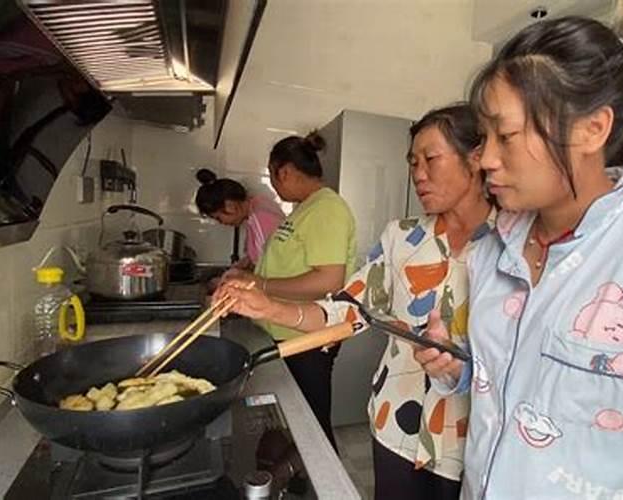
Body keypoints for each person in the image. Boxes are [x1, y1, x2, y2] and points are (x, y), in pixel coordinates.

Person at [415, 3, 623, 499]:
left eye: (508, 136)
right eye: (485, 138)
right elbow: (526, 387)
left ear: (592, 129)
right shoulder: (494, 249)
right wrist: (461, 369)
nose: (488, 160)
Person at [216, 104, 495, 499]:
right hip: (395, 425)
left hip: (472, 438)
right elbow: (349, 308)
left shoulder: (516, 244)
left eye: (431, 159)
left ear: (477, 157)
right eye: (412, 162)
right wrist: (270, 306)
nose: (418, 173)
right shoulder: (401, 237)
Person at [220, 130, 357, 451]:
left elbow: (329, 281)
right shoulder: (303, 210)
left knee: (312, 426)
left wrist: (263, 286)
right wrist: (251, 276)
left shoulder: (327, 208)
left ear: (285, 171)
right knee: (295, 424)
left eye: (273, 176)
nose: (274, 185)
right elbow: (286, 264)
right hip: (286, 332)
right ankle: (298, 481)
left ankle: (326, 487)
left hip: (306, 337)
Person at [195, 168, 285, 270]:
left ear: (230, 206)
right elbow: (260, 255)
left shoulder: (260, 218)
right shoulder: (258, 205)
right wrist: (240, 265)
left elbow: (267, 265)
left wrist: (238, 277)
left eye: (219, 218)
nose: (222, 223)